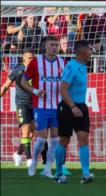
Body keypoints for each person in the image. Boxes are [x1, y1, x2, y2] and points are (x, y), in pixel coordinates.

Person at [21, 35, 65, 178]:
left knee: (55, 140)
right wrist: (35, 91)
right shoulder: (36, 62)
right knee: (41, 139)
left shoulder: (62, 62)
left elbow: (65, 83)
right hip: (40, 106)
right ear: (45, 46)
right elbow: (23, 81)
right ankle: (33, 161)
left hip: (57, 107)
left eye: (56, 45)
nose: (54, 48)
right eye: (51, 45)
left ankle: (47, 168)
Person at [55, 40, 94, 184]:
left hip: (81, 106)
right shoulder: (71, 66)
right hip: (67, 107)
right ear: (81, 51)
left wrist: (78, 107)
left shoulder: (83, 67)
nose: (91, 51)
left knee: (83, 138)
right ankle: (59, 173)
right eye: (89, 49)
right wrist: (73, 107)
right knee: (64, 140)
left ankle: (86, 173)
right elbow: (63, 89)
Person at [0, 48, 35, 167]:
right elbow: (6, 85)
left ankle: (18, 153)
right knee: (26, 127)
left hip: (34, 103)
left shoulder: (36, 70)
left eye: (33, 58)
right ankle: (30, 160)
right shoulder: (18, 70)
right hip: (21, 103)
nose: (31, 60)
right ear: (24, 58)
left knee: (31, 133)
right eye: (29, 58)